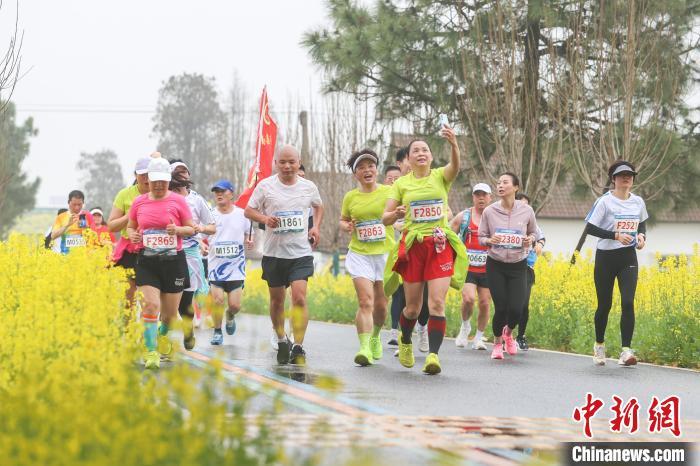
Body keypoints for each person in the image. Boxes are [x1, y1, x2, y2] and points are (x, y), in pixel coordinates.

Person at [382, 126, 467, 375]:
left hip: (438, 244)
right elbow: (385, 218)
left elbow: (456, 167)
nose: (421, 153)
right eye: (415, 150)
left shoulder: (440, 176)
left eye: (425, 150)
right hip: (413, 247)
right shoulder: (401, 184)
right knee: (412, 308)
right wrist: (395, 213)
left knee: (437, 303)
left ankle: (433, 356)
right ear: (407, 159)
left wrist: (453, 144)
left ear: (431, 156)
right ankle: (405, 339)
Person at [245, 145, 323, 365]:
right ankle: (281, 339)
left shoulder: (308, 187)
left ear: (299, 163)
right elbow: (248, 211)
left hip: (300, 253)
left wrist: (315, 227)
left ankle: (298, 346)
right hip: (274, 253)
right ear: (276, 164)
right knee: (277, 301)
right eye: (283, 162)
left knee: (299, 298)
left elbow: (319, 206)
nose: (288, 166)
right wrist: (264, 219)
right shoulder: (265, 186)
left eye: (292, 162)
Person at [127, 155, 195, 370]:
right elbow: (131, 227)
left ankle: (160, 334)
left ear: (168, 180)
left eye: (162, 181)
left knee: (168, 315)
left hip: (173, 262)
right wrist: (133, 235)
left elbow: (191, 228)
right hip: (147, 261)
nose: (157, 185)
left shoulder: (178, 201)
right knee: (151, 305)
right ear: (148, 180)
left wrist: (178, 230)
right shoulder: (139, 202)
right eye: (153, 180)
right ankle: (150, 351)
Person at [584, 161, 647, 366]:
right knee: (605, 305)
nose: (626, 178)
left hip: (628, 258)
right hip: (606, 258)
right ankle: (599, 345)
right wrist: (615, 235)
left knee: (628, 302)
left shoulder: (638, 202)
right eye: (621, 175)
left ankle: (626, 351)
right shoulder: (605, 202)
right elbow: (590, 228)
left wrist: (641, 237)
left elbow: (642, 224)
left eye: (629, 175)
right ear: (614, 179)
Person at [340, 149, 394, 366]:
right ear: (356, 174)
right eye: (361, 167)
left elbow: (398, 213)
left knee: (381, 305)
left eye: (370, 166)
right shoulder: (350, 197)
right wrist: (347, 226)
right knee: (365, 301)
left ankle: (375, 336)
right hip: (360, 254)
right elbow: (342, 220)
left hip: (384, 254)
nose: (367, 170)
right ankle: (363, 348)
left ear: (376, 169)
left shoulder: (389, 192)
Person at [478, 173, 539, 360]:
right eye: (498, 183)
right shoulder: (489, 211)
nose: (500, 185)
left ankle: (509, 333)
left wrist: (531, 239)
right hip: (495, 264)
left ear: (516, 187)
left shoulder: (527, 211)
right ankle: (497, 344)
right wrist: (490, 240)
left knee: (517, 308)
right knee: (502, 307)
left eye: (505, 182)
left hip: (518, 264)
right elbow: (481, 238)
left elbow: (534, 232)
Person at [169, 160, 216, 349]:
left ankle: (188, 331)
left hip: (189, 255)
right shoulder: (164, 197)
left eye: (184, 172)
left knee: (186, 301)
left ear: (189, 176)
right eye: (177, 173)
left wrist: (200, 228)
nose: (182, 176)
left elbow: (212, 226)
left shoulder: (196, 199)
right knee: (171, 302)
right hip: (167, 255)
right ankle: (163, 337)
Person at [387, 147, 430, 352]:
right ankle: (399, 334)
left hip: (424, 246)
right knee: (401, 295)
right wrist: (396, 219)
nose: (407, 164)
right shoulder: (398, 188)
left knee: (425, 295)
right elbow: (384, 216)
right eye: (404, 160)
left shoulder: (427, 183)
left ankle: (422, 329)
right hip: (400, 248)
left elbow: (443, 209)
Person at [207, 180, 254, 345]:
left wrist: (250, 241)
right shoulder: (210, 215)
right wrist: (201, 246)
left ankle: (230, 315)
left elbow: (250, 234)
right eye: (216, 192)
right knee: (217, 300)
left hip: (236, 268)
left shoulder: (242, 214)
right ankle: (217, 331)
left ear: (231, 193)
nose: (219, 195)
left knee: (235, 305)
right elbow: (200, 237)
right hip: (215, 267)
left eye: (222, 191)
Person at [449, 183, 492, 350]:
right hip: (468, 268)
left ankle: (479, 338)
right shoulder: (464, 216)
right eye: (477, 194)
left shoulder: (495, 216)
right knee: (468, 299)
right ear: (473, 197)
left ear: (490, 197)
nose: (481, 198)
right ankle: (465, 326)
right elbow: (449, 233)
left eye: (484, 195)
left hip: (488, 268)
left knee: (484, 303)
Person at [108, 156, 152, 309]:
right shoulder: (125, 195)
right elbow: (111, 226)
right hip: (130, 251)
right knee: (129, 296)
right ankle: (128, 331)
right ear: (135, 175)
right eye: (142, 174)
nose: (146, 178)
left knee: (150, 299)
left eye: (149, 174)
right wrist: (129, 215)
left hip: (153, 249)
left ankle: (151, 330)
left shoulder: (162, 194)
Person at [513, 193, 545, 351]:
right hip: (509, 265)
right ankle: (505, 335)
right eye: (519, 204)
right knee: (508, 304)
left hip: (527, 268)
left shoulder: (532, 223)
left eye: (526, 205)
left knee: (523, 304)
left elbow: (541, 237)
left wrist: (539, 244)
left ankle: (521, 336)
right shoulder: (506, 221)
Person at [51, 190, 96, 254]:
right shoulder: (61, 217)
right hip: (65, 255)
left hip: (83, 255)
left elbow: (95, 236)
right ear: (69, 202)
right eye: (74, 204)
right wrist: (67, 225)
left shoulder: (88, 216)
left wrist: (86, 226)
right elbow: (53, 236)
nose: (77, 207)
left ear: (83, 202)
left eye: (79, 204)